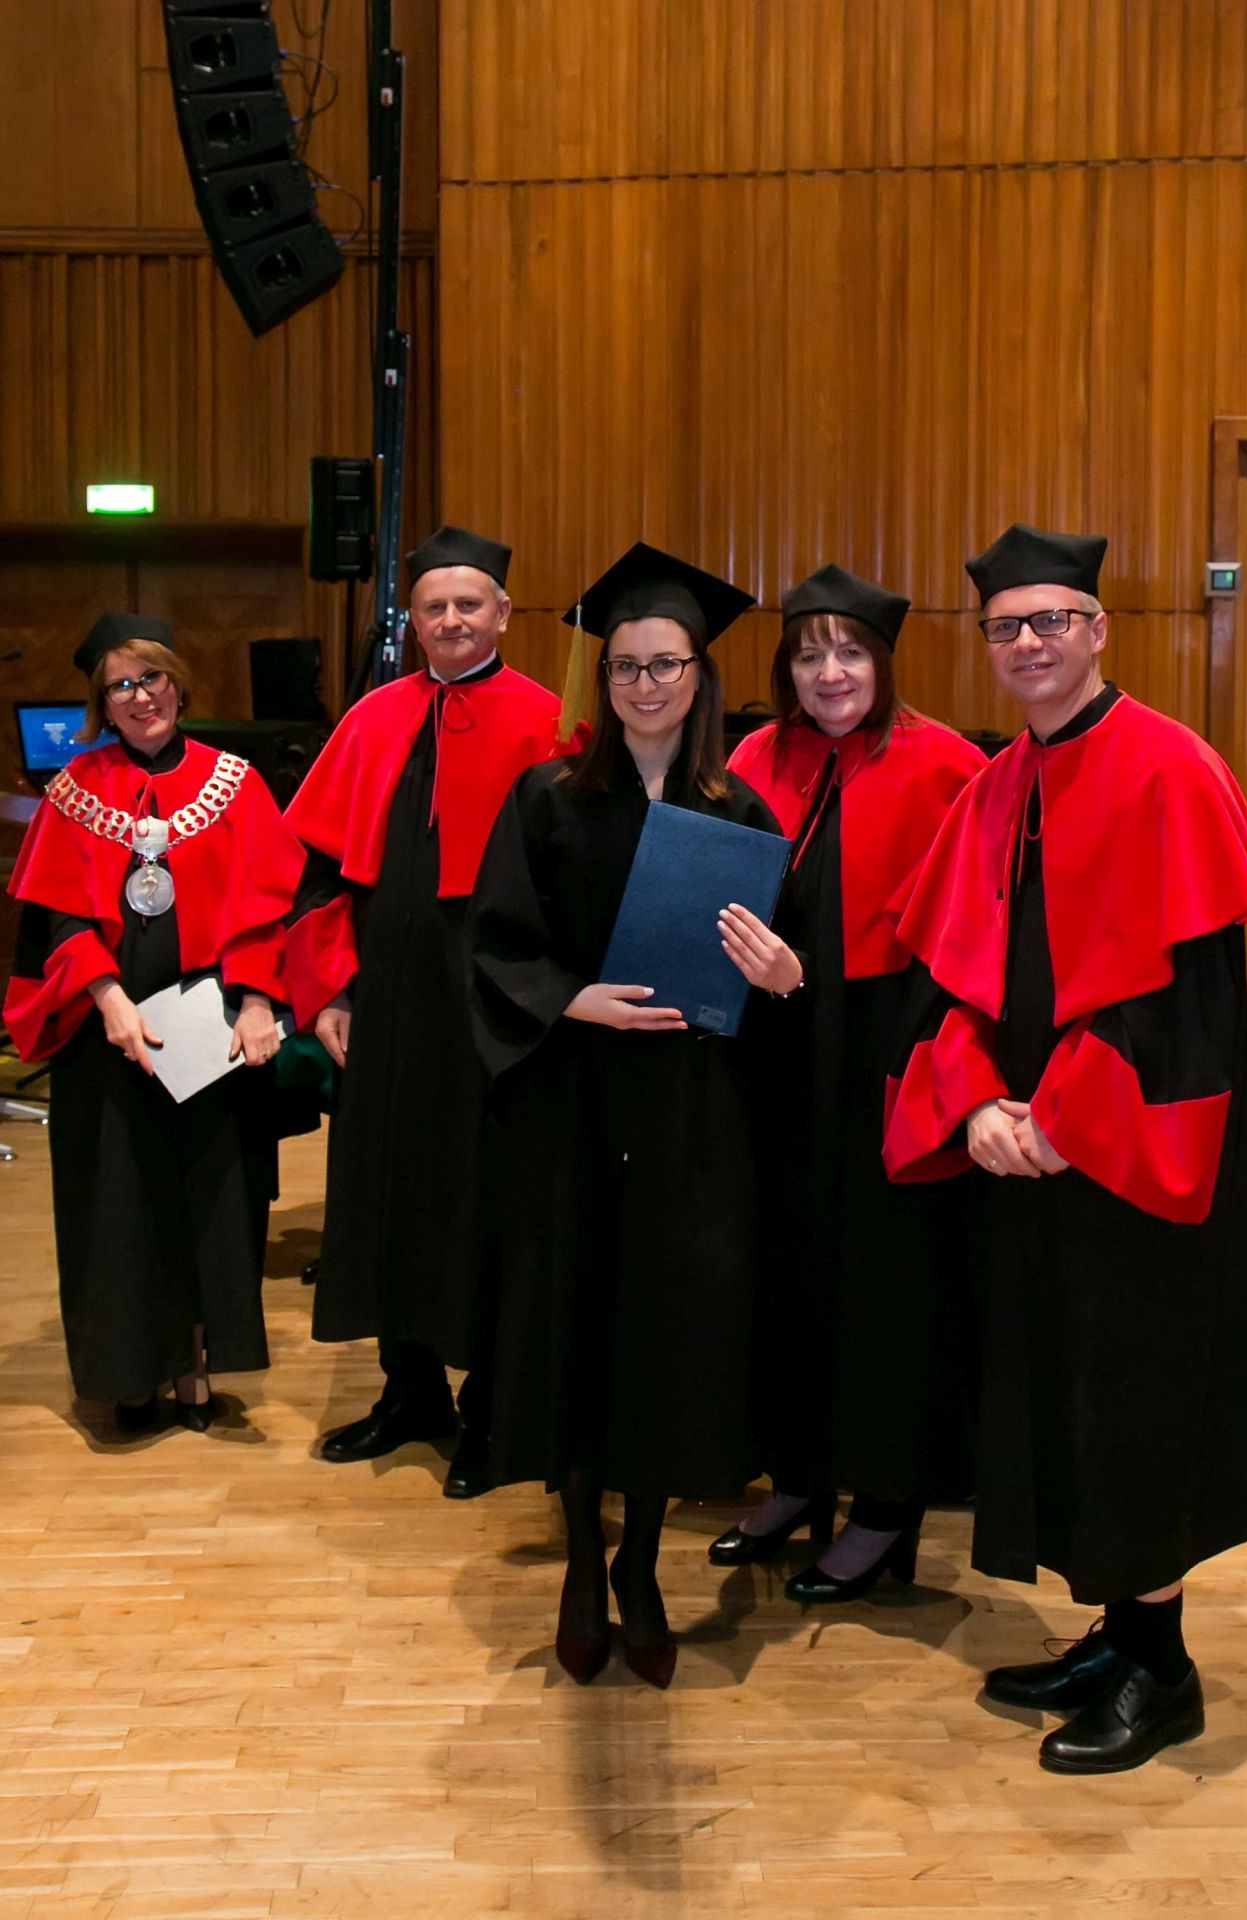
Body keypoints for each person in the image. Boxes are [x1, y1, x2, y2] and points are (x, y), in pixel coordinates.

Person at [883, 524, 1247, 1773]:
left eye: (1050, 620)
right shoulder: (996, 784)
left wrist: (1063, 1120)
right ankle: (1118, 1634)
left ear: (1097, 631)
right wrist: (973, 1107)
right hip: (1027, 1156)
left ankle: (1160, 1673)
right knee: (1061, 1387)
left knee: (1135, 1395)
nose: (1028, 643)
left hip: (1135, 1160)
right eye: (1006, 627)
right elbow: (947, 980)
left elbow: (1192, 1006)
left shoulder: (1170, 769)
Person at [467, 542, 794, 1688]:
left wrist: (778, 973)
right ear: (601, 679)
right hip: (574, 1103)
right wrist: (574, 1000)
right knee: (577, 1325)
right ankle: (577, 1559)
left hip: (690, 1120)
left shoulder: (738, 814)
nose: (644, 685)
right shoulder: (549, 800)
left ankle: (640, 1563)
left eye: (664, 665)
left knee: (663, 1334)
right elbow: (496, 944)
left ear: (699, 676)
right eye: (623, 667)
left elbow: (777, 976)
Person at [710, 565, 985, 1598]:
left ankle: (883, 1506)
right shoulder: (753, 758)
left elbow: (964, 939)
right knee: (783, 1268)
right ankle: (796, 1475)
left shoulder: (947, 766)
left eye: (850, 652)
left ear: (882, 661)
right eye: (808, 654)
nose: (829, 673)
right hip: (775, 1062)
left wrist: (819, 983)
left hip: (885, 1057)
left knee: (882, 1284)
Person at [285, 525, 571, 1493]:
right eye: (433, 607)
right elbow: (318, 871)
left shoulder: (547, 720)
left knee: (487, 1200)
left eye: (468, 604)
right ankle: (409, 1391)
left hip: (494, 1004)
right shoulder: (372, 718)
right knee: (388, 1191)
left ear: (502, 613)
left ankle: (491, 1410)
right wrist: (329, 987)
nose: (450, 620)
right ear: (412, 619)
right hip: (388, 1001)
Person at [4, 613, 303, 1431]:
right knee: (119, 1210)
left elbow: (267, 905)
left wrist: (257, 1000)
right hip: (105, 1034)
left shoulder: (233, 781)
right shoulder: (75, 789)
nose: (141, 698)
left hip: (210, 1034)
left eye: (152, 678)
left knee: (210, 1199)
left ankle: (196, 1371)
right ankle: (129, 1377)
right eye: (120, 687)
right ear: (102, 704)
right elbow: (58, 919)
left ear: (178, 681)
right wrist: (109, 1001)